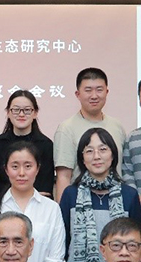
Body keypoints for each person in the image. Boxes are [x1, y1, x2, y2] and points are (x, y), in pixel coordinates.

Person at [58, 128, 141, 262]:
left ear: (113, 155)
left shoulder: (129, 195)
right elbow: (63, 243)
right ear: (82, 159)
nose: (96, 156)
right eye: (89, 151)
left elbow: (138, 242)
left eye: (103, 149)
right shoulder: (71, 194)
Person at [0, 141, 65, 262]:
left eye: (28, 166)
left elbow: (55, 258)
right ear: (6, 169)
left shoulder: (51, 209)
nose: (21, 173)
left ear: (37, 169)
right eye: (15, 166)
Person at [53, 68, 127, 202]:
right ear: (78, 94)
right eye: (88, 90)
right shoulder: (66, 128)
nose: (94, 96)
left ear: (107, 92)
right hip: (81, 204)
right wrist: (63, 209)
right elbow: (63, 176)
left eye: (99, 90)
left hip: (117, 202)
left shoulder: (117, 126)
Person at [0, 90, 55, 197]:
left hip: (36, 202)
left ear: (35, 113)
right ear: (8, 113)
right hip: (4, 201)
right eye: (16, 110)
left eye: (27, 110)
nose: (21, 114)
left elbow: (45, 186)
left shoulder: (46, 144)